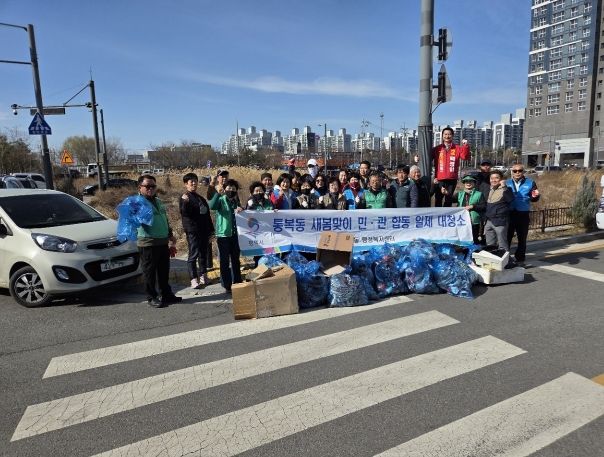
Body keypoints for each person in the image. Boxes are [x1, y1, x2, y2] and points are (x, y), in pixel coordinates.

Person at [136, 175, 182, 307]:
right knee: (149, 272)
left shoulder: (159, 201)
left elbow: (164, 219)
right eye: (147, 186)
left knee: (163, 271)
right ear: (140, 187)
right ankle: (152, 297)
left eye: (153, 186)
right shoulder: (137, 203)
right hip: (148, 243)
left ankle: (166, 294)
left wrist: (170, 234)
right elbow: (136, 221)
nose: (150, 188)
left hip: (162, 241)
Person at [208, 178, 243, 293]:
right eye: (229, 188)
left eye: (233, 188)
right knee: (224, 261)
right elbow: (212, 206)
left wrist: (241, 209)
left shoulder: (236, 201)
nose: (231, 190)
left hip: (235, 235)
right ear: (224, 189)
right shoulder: (221, 200)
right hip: (223, 235)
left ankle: (237, 281)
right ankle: (227, 284)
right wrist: (217, 194)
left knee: (235, 260)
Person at [180, 173, 214, 290]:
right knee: (193, 254)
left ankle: (203, 276)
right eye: (191, 182)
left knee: (203, 254)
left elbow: (207, 216)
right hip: (193, 231)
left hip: (204, 230)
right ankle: (193, 279)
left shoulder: (201, 198)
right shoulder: (184, 197)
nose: (194, 183)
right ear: (186, 184)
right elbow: (184, 213)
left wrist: (211, 231)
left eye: (195, 181)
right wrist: (185, 202)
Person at [506, 164, 540, 264]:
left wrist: (535, 196)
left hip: (523, 214)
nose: (517, 172)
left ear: (523, 172)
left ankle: (520, 258)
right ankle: (505, 258)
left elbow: (534, 197)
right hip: (510, 213)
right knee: (507, 237)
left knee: (522, 238)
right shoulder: (506, 182)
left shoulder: (530, 182)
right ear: (512, 172)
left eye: (520, 170)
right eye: (515, 171)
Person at [432, 127, 471, 207]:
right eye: (445, 134)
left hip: (452, 179)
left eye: (449, 134)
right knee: (438, 199)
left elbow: (465, 157)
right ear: (442, 136)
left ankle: (446, 215)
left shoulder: (457, 148)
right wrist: (417, 158)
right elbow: (427, 157)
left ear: (452, 136)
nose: (447, 136)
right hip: (439, 179)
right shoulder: (437, 148)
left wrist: (465, 146)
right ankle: (438, 214)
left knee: (448, 199)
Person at [449, 175, 486, 245]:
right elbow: (451, 200)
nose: (468, 183)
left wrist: (473, 206)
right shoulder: (459, 194)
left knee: (474, 239)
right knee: (462, 239)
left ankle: (473, 251)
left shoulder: (479, 194)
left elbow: (484, 206)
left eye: (470, 182)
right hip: (461, 221)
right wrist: (447, 194)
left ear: (474, 183)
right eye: (466, 182)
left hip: (473, 221)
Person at [484, 170, 514, 252]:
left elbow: (510, 199)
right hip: (489, 221)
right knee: (490, 245)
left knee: (502, 245)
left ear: (501, 179)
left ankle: (505, 259)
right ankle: (492, 259)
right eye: (492, 178)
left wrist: (504, 186)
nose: (493, 180)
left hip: (500, 221)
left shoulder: (506, 189)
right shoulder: (490, 189)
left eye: (496, 178)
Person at [475, 159, 493, 245]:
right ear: (480, 166)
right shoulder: (476, 176)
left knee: (487, 224)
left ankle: (485, 242)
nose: (486, 167)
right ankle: (476, 241)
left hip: (489, 203)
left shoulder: (493, 177)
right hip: (478, 203)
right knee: (477, 223)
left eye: (488, 165)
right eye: (483, 165)